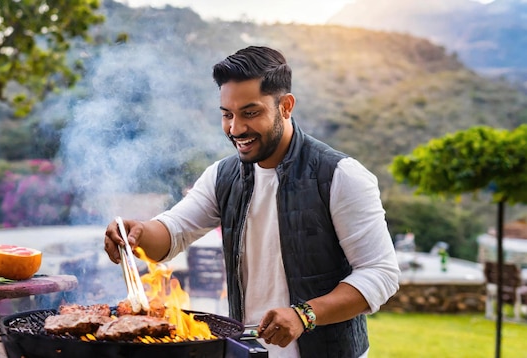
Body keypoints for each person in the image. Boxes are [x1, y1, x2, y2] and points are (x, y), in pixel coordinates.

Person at [105, 46, 400, 358]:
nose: (235, 129)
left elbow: (380, 272)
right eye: (227, 115)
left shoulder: (340, 175)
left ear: (286, 106)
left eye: (250, 113)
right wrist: (136, 233)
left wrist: (304, 315)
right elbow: (174, 230)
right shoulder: (222, 175)